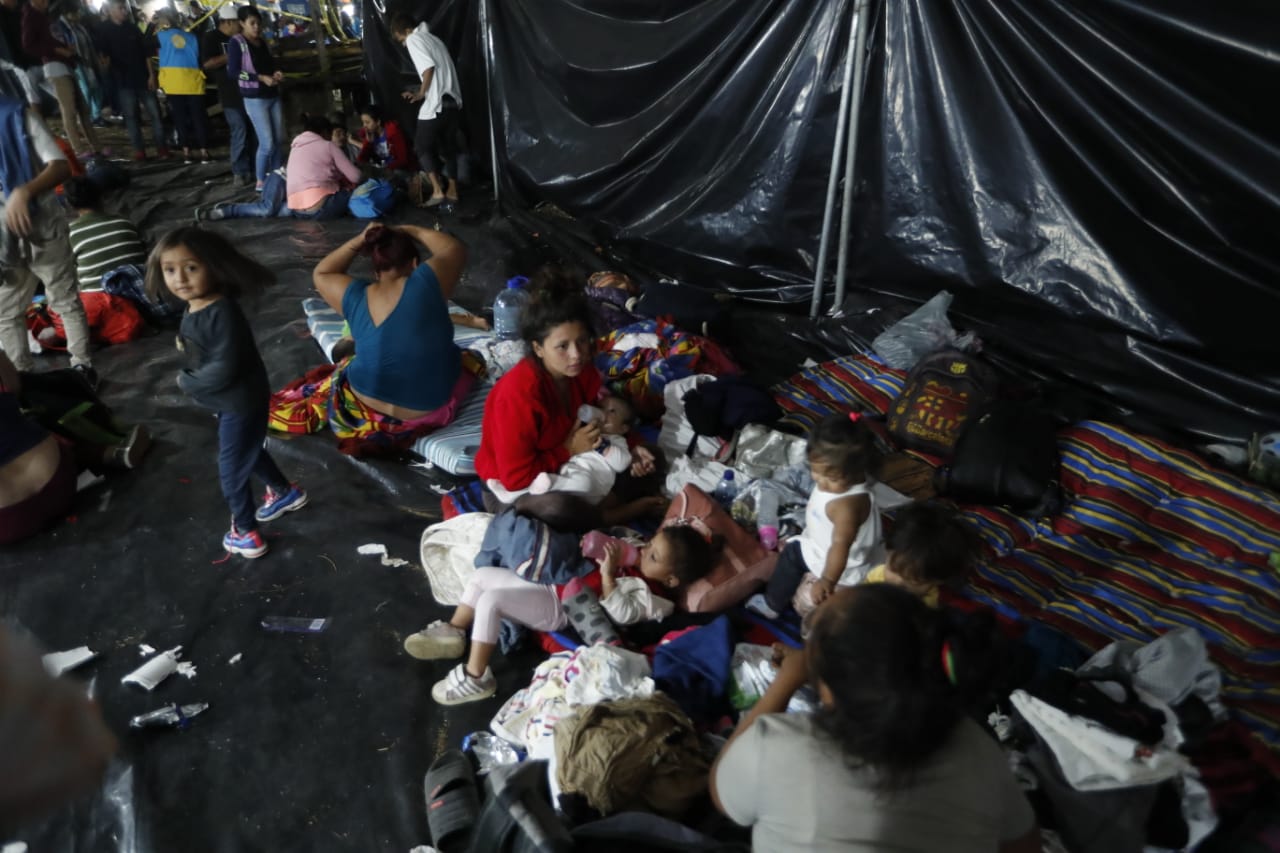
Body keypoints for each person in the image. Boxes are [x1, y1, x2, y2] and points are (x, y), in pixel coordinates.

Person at [710, 584, 1039, 853]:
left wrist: (786, 680)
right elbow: (1023, 845)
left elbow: (720, 792)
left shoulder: (779, 747)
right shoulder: (976, 748)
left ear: (827, 689)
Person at [404, 523, 718, 705]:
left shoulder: (654, 596)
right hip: (553, 584)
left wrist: (609, 576)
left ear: (671, 579)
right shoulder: (636, 562)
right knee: (482, 575)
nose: (644, 551)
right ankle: (456, 631)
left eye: (653, 555)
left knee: (492, 601)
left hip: (559, 609)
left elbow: (623, 614)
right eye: (649, 543)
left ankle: (476, 677)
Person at [145, 226, 308, 558]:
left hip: (240, 401)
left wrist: (188, 382)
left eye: (191, 268)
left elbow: (224, 366)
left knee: (230, 467)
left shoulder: (222, 313)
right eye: (170, 269)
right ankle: (283, 491)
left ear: (214, 267)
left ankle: (245, 532)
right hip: (230, 401)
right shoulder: (195, 306)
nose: (180, 279)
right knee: (248, 449)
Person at [474, 269, 664, 532]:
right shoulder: (518, 396)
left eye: (583, 341)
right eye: (562, 347)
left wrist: (633, 447)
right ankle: (610, 514)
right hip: (518, 489)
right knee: (557, 509)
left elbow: (600, 417)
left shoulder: (582, 373)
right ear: (538, 348)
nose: (577, 355)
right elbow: (515, 478)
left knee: (652, 457)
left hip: (574, 467)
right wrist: (569, 449)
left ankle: (598, 508)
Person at [268, 224, 476, 452]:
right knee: (463, 362)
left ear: (376, 272)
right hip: (424, 409)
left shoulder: (355, 294)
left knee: (351, 362)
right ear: (416, 264)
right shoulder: (427, 283)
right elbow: (451, 247)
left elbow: (322, 272)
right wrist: (410, 229)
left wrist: (360, 239)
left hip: (362, 401)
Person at [746, 414, 883, 620]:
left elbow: (840, 547)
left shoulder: (847, 506)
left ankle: (771, 603)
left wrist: (827, 580)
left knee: (792, 555)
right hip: (823, 543)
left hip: (841, 566)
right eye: (815, 471)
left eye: (829, 477)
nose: (818, 480)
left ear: (857, 471)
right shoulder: (842, 482)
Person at [0, 95, 96, 387]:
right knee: (6, 309)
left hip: (40, 220)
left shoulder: (16, 115)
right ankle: (22, 379)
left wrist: (24, 192)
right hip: (3, 234)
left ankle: (82, 368)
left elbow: (60, 166)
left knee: (62, 298)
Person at [487, 394, 634, 505]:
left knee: (583, 482)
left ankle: (545, 484)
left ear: (623, 428)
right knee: (542, 479)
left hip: (592, 489)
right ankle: (509, 493)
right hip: (567, 473)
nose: (603, 414)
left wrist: (603, 446)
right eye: (601, 408)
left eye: (612, 411)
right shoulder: (589, 428)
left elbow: (622, 463)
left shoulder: (618, 441)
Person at [390, 14, 460, 207]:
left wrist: (421, 93)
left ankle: (438, 191)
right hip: (452, 103)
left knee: (421, 147)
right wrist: (419, 90)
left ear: (406, 31)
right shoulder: (435, 40)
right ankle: (453, 190)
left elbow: (428, 68)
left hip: (436, 105)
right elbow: (439, 73)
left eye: (402, 40)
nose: (404, 45)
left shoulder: (414, 39)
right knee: (448, 147)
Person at [22, 0, 100, 157]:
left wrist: (64, 49)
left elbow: (51, 40)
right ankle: (79, 149)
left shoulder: (44, 17)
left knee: (83, 108)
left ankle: (96, 146)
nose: (46, 2)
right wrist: (57, 50)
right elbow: (29, 45)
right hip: (54, 67)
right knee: (69, 109)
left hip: (65, 64)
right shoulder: (30, 17)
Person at [864, 501, 978, 608]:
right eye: (893, 569)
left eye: (914, 581)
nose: (898, 583)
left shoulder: (923, 606)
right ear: (887, 551)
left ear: (938, 581)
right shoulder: (878, 575)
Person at [94, 0, 167, 161]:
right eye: (121, 8)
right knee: (131, 117)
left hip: (142, 78)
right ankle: (139, 150)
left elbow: (147, 52)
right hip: (123, 82)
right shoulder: (104, 30)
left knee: (155, 114)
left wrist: (151, 75)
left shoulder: (132, 28)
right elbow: (102, 56)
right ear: (111, 11)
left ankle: (162, 147)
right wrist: (105, 66)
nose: (125, 12)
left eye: (125, 8)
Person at [226, 5, 282, 190]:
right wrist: (259, 77)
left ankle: (278, 175)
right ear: (242, 23)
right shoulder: (237, 43)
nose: (257, 27)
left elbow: (270, 63)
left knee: (279, 139)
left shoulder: (262, 42)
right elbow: (233, 72)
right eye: (252, 23)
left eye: (258, 23)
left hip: (272, 94)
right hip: (254, 98)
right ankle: (261, 181)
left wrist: (276, 73)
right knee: (267, 142)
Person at [201, 4, 252, 185]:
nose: (241, 27)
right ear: (228, 22)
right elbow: (207, 64)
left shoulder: (243, 38)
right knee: (239, 130)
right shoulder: (211, 38)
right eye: (238, 23)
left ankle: (252, 168)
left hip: (248, 90)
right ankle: (239, 170)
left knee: (252, 131)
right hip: (230, 94)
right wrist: (231, 54)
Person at [64, 175, 144, 289]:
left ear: (69, 204)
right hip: (140, 293)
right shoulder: (125, 222)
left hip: (100, 301)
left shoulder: (70, 234)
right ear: (102, 197)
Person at [154, 9, 208, 163]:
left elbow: (145, 43)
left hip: (173, 82)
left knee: (180, 118)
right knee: (198, 117)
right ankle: (204, 151)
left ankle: (186, 152)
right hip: (193, 81)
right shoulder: (192, 37)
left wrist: (155, 25)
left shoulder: (160, 36)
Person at [284, 113, 359, 219]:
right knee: (355, 193)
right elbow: (356, 177)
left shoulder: (295, 147)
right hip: (321, 209)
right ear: (324, 132)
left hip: (297, 212)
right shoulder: (328, 145)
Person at [355, 103, 415, 177]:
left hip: (399, 171)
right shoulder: (369, 134)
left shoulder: (393, 132)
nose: (364, 126)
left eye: (367, 122)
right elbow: (361, 161)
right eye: (363, 122)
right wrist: (368, 143)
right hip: (383, 171)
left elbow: (403, 159)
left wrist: (385, 169)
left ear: (378, 122)